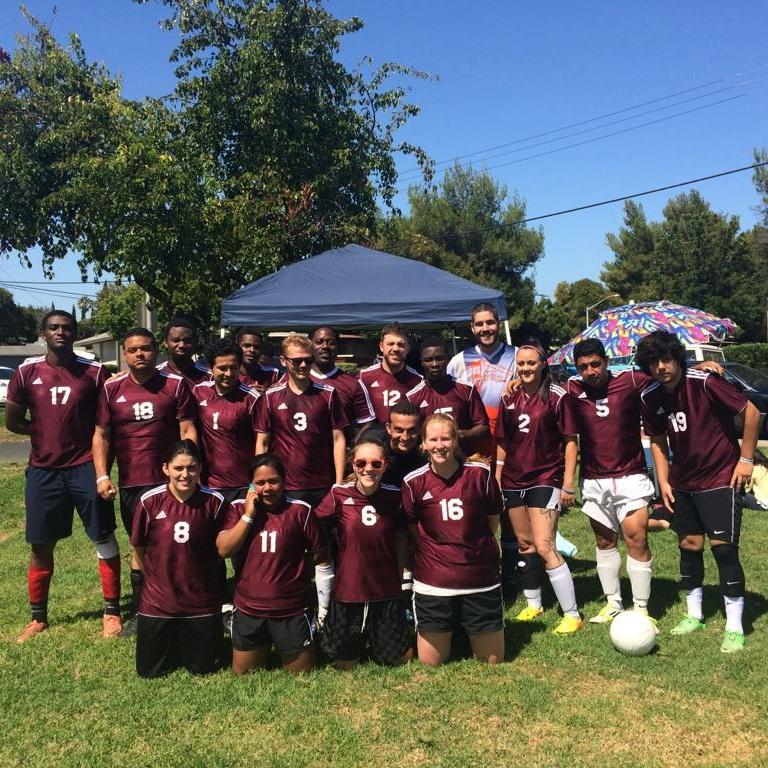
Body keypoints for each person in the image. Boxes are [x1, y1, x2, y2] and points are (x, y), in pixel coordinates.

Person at [637, 330, 760, 653]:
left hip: (721, 475)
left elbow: (750, 412)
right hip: (682, 481)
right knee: (689, 545)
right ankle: (695, 614)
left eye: (666, 359)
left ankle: (734, 625)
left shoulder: (703, 381)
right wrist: (663, 481)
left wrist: (746, 459)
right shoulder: (650, 396)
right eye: (653, 362)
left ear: (677, 357)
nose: (661, 367)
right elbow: (658, 441)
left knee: (723, 548)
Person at [6, 309, 122, 642]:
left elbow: (106, 424)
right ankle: (38, 617)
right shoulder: (27, 372)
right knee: (41, 543)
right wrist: (42, 433)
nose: (61, 332)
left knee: (102, 535)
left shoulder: (95, 372)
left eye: (67, 328)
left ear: (75, 333)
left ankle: (112, 611)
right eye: (54, 327)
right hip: (43, 470)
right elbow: (13, 421)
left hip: (86, 465)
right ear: (44, 333)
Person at [93, 327, 198, 637]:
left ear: (157, 351)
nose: (140, 354)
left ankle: (188, 606)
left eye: (146, 348)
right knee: (139, 547)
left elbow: (188, 430)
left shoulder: (176, 385)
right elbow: (101, 435)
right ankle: (144, 612)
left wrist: (188, 473)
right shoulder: (112, 389)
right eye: (133, 350)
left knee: (181, 543)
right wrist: (102, 475)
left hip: (170, 484)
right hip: (132, 484)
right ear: (124, 354)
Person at [565, 338, 656, 624]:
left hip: (631, 475)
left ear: (605, 361)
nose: (590, 371)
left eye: (595, 364)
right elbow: (541, 384)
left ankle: (641, 607)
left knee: (636, 538)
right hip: (594, 478)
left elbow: (666, 373)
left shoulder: (630, 379)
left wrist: (698, 365)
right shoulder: (571, 388)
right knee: (604, 540)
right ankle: (613, 602)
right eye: (583, 367)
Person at [402, 413, 504, 666]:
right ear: (423, 443)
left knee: (492, 661)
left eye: (446, 438)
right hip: (434, 581)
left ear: (456, 440)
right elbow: (414, 529)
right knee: (431, 663)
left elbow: (492, 520)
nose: (440, 445)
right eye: (433, 439)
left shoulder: (480, 474)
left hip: (479, 577)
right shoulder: (413, 482)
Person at [496, 341, 582, 635]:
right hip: (513, 479)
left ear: (543, 363)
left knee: (545, 546)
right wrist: (497, 476)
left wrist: (568, 483)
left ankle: (572, 613)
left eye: (531, 363)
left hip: (545, 478)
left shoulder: (558, 398)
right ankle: (534, 604)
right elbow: (503, 443)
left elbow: (571, 441)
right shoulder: (508, 398)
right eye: (521, 364)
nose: (525, 369)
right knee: (525, 545)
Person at [216, 454, 326, 674]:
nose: (267, 488)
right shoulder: (238, 508)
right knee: (244, 674)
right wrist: (248, 516)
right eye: (260, 483)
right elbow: (224, 549)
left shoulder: (300, 511)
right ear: (251, 485)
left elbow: (319, 554)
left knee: (302, 675)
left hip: (290, 609)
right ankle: (233, 618)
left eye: (273, 481)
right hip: (250, 609)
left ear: (284, 481)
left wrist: (295, 572)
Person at [131, 440, 226, 677]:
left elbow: (223, 549)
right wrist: (149, 588)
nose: (185, 474)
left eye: (192, 468)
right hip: (159, 603)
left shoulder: (214, 502)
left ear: (200, 468)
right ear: (165, 469)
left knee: (204, 668)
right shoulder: (149, 501)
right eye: (178, 468)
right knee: (149, 671)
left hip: (200, 602)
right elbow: (138, 551)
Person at [315, 438, 413, 668]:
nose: (368, 469)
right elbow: (314, 525)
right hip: (349, 589)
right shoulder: (338, 494)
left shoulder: (395, 496)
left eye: (376, 464)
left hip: (385, 588)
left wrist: (403, 577)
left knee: (394, 659)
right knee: (343, 662)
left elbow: (402, 539)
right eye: (361, 463)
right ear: (352, 465)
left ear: (385, 465)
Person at [447, 303, 518, 598]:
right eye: (480, 324)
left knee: (509, 509)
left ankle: (514, 573)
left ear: (499, 323)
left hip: (511, 444)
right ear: (472, 328)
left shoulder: (517, 357)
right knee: (476, 508)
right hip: (473, 446)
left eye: (490, 322)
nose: (486, 328)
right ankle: (481, 567)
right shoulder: (458, 361)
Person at [254, 334, 348, 508]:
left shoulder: (328, 394)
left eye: (308, 360)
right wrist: (257, 483)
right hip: (284, 485)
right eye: (297, 361)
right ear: (283, 361)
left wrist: (339, 483)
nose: (303, 365)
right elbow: (262, 443)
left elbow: (338, 439)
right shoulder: (271, 396)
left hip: (322, 484)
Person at [193, 338, 259, 504]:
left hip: (242, 486)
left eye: (233, 368)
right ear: (210, 368)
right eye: (222, 368)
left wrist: (254, 484)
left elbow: (262, 444)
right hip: (207, 484)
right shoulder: (197, 392)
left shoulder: (252, 399)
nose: (228, 374)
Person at [407, 337, 489, 456]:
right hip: (430, 462)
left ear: (448, 360)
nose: (434, 364)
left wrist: (459, 435)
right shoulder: (413, 397)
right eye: (429, 360)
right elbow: (411, 433)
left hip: (464, 459)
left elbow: (484, 427)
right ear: (422, 362)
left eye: (439, 359)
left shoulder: (467, 389)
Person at [309, 326, 375, 435]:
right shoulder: (295, 380)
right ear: (310, 346)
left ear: (338, 347)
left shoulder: (353, 384)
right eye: (319, 342)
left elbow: (367, 423)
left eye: (331, 343)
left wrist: (353, 447)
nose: (325, 347)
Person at [358, 323, 423, 424]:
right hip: (373, 437)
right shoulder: (364, 377)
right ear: (381, 346)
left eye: (401, 345)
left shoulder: (418, 381)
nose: (396, 349)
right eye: (390, 344)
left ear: (408, 349)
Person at [380, 401, 425, 487]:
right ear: (388, 428)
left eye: (411, 430)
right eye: (399, 430)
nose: (405, 437)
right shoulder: (373, 448)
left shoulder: (427, 452)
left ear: (420, 429)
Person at [157, 317, 212, 384]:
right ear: (166, 343)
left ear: (195, 342)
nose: (181, 345)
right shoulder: (156, 374)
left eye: (187, 341)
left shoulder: (209, 376)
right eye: (175, 340)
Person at [236, 327, 280, 393]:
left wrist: (267, 394)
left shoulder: (273, 374)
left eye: (256, 347)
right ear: (236, 346)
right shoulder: (225, 373)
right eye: (247, 346)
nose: (252, 350)